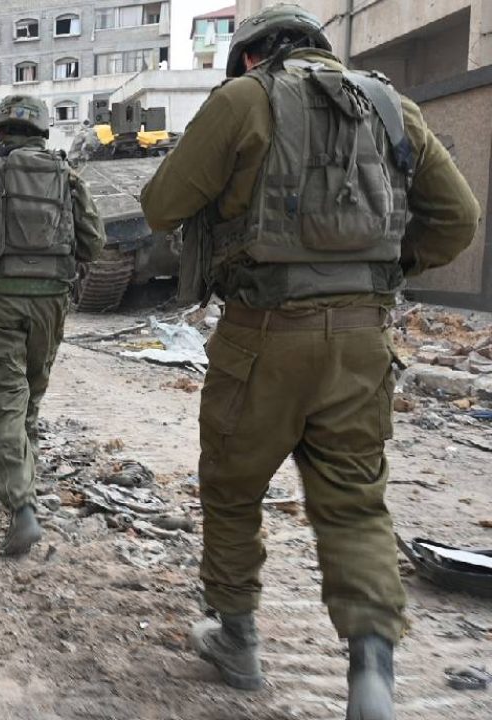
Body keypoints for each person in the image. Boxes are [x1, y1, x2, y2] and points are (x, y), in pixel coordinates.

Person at [139, 4, 480, 718]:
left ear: (250, 56)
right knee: (355, 504)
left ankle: (236, 640)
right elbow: (458, 218)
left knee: (234, 491)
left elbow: (162, 204)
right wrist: (380, 271)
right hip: (363, 340)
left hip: (262, 332)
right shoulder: (391, 105)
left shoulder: (243, 99)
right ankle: (372, 675)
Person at [0, 94, 105, 556]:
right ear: (42, 130)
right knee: (28, 398)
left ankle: (22, 507)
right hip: (51, 303)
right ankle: (23, 490)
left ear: (0, 130)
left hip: (0, 302)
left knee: (5, 403)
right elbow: (95, 240)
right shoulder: (65, 175)